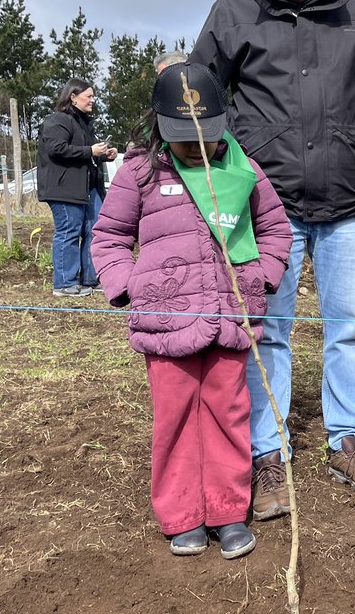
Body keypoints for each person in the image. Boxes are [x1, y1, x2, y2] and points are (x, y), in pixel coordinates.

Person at [190, 0, 355, 518]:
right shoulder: (232, 13)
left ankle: (348, 440)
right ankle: (267, 453)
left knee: (347, 327)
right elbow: (199, 102)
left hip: (345, 201)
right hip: (265, 208)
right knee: (268, 331)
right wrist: (220, 179)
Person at [91, 63, 293, 559]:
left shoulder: (243, 170)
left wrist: (258, 279)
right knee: (175, 417)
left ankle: (227, 512)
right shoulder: (140, 171)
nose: (195, 148)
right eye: (182, 137)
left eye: (205, 136)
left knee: (229, 412)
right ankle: (182, 516)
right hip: (165, 325)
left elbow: (276, 230)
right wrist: (129, 285)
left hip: (231, 319)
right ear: (158, 124)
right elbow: (110, 236)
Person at [36, 78, 116, 297]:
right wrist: (91, 151)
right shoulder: (57, 120)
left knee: (95, 230)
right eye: (88, 96)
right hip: (64, 188)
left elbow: (84, 153)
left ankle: (90, 279)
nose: (93, 100)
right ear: (73, 97)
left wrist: (104, 156)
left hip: (87, 188)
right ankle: (64, 283)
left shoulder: (84, 123)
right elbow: (56, 148)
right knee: (69, 231)